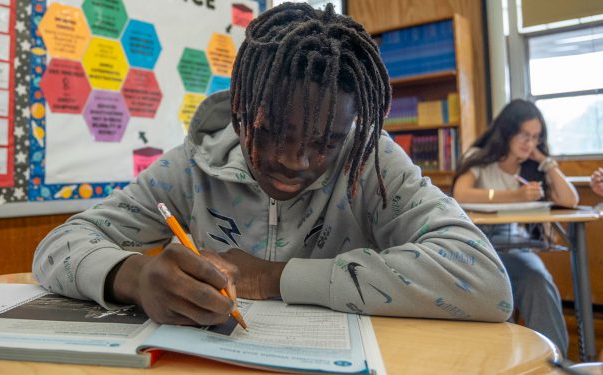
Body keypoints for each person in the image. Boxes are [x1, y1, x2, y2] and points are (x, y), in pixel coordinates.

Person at [33, 3, 512, 327]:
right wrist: (135, 278)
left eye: (323, 142)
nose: (294, 160)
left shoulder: (372, 160)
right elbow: (56, 247)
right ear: (240, 103)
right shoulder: (192, 166)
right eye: (273, 132)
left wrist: (276, 275)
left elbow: (487, 285)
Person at [452, 99, 578, 355]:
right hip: (475, 243)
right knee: (493, 290)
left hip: (513, 242)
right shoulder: (479, 158)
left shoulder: (532, 166)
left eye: (535, 137)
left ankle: (554, 363)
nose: (528, 143)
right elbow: (460, 193)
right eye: (523, 135)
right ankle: (505, 362)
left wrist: (545, 159)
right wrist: (516, 196)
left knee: (538, 280)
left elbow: (570, 200)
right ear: (507, 131)